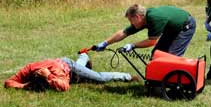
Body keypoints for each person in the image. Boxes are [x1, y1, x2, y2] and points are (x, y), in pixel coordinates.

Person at [95, 4, 196, 57]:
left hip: (185, 26)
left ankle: (171, 84)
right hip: (172, 28)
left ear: (138, 17)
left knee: (172, 56)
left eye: (131, 20)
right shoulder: (143, 20)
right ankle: (156, 82)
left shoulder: (153, 18)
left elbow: (152, 41)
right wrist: (105, 43)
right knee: (157, 53)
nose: (131, 23)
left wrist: (133, 45)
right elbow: (123, 32)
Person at [4, 53, 140, 92]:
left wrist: (49, 76)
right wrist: (23, 85)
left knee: (99, 78)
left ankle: (127, 76)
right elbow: (8, 82)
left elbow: (65, 86)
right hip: (65, 68)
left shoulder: (54, 71)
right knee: (81, 73)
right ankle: (84, 56)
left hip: (67, 66)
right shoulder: (29, 69)